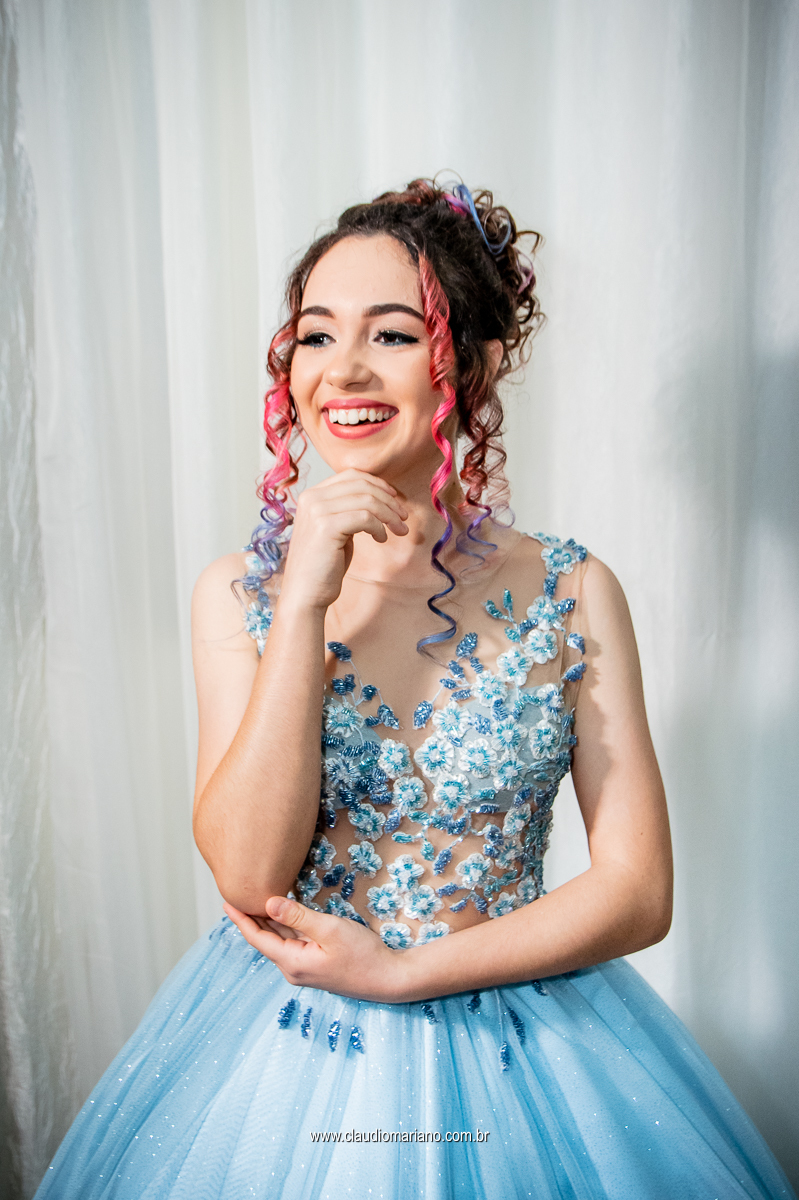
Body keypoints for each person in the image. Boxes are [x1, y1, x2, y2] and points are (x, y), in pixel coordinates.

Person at [34, 178, 794, 1199]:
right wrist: (303, 603)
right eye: (315, 335)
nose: (342, 368)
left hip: (525, 1046)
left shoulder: (571, 589)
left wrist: (400, 973)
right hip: (284, 1052)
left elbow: (638, 890)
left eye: (391, 334)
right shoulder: (239, 593)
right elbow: (248, 875)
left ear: (472, 366)